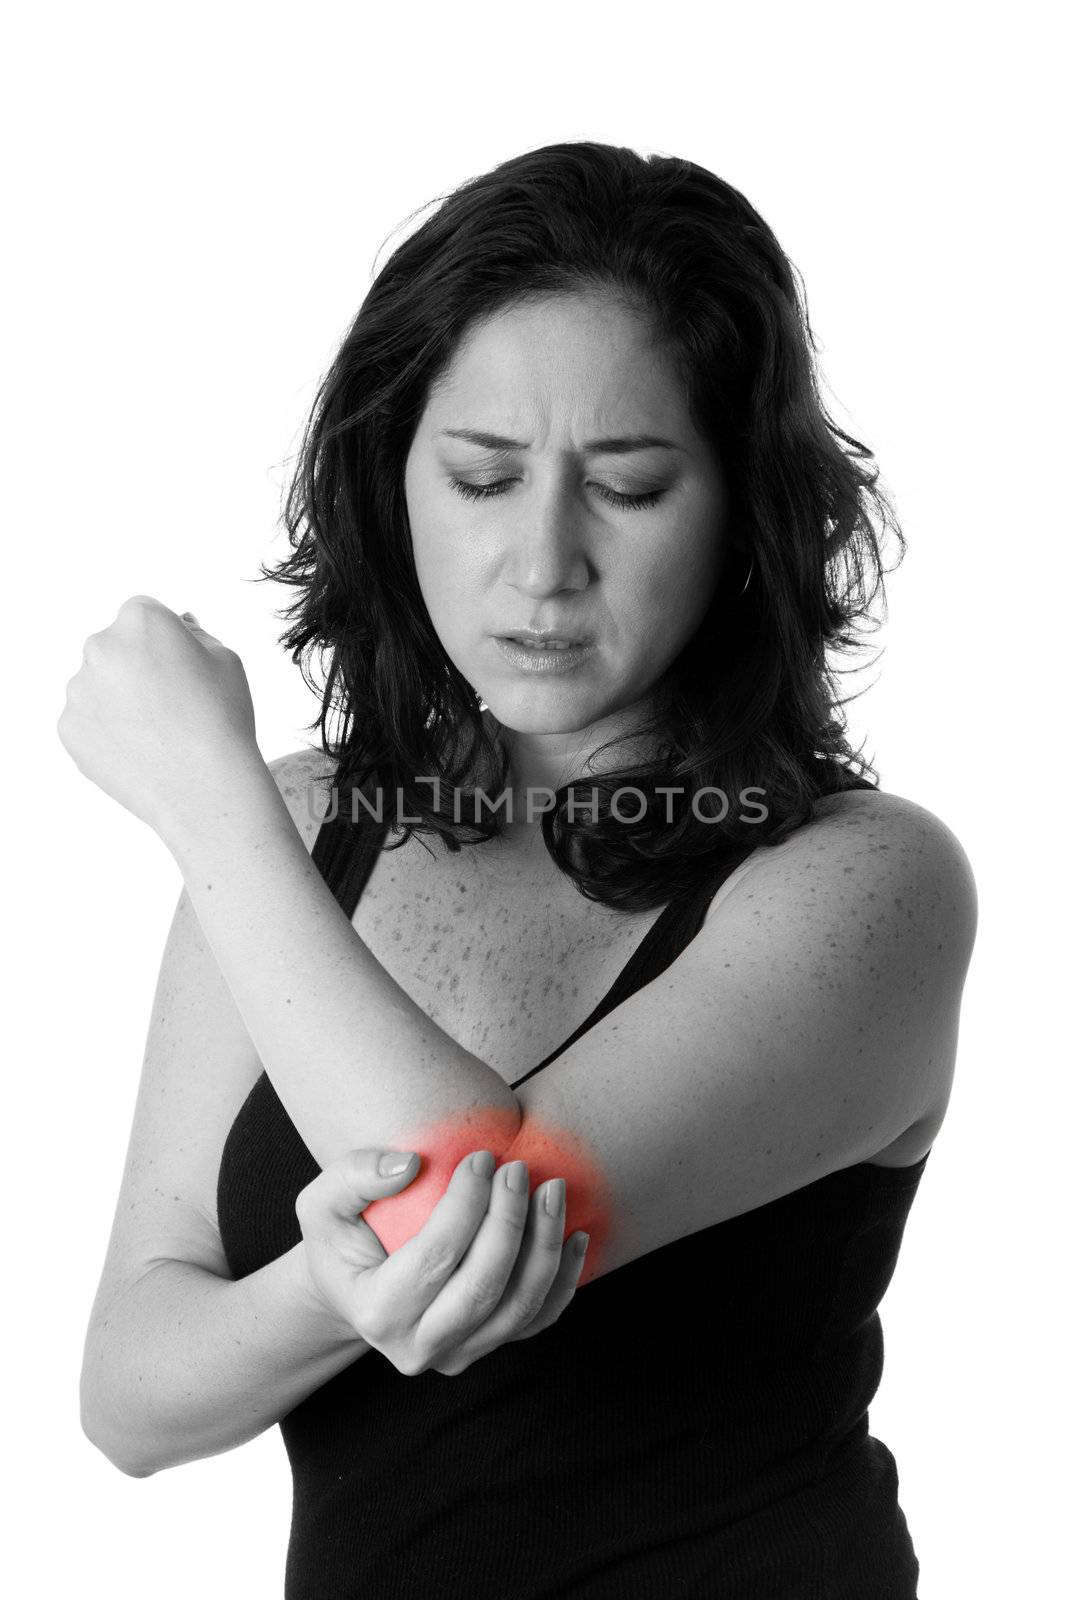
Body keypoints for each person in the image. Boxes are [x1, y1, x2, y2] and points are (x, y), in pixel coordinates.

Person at [66, 141, 978, 1598]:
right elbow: (131, 1394)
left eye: (628, 485)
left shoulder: (867, 881)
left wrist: (206, 799)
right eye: (482, 477)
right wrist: (325, 1287)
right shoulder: (308, 833)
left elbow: (475, 1235)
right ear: (393, 480)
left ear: (743, 512)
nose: (542, 561)